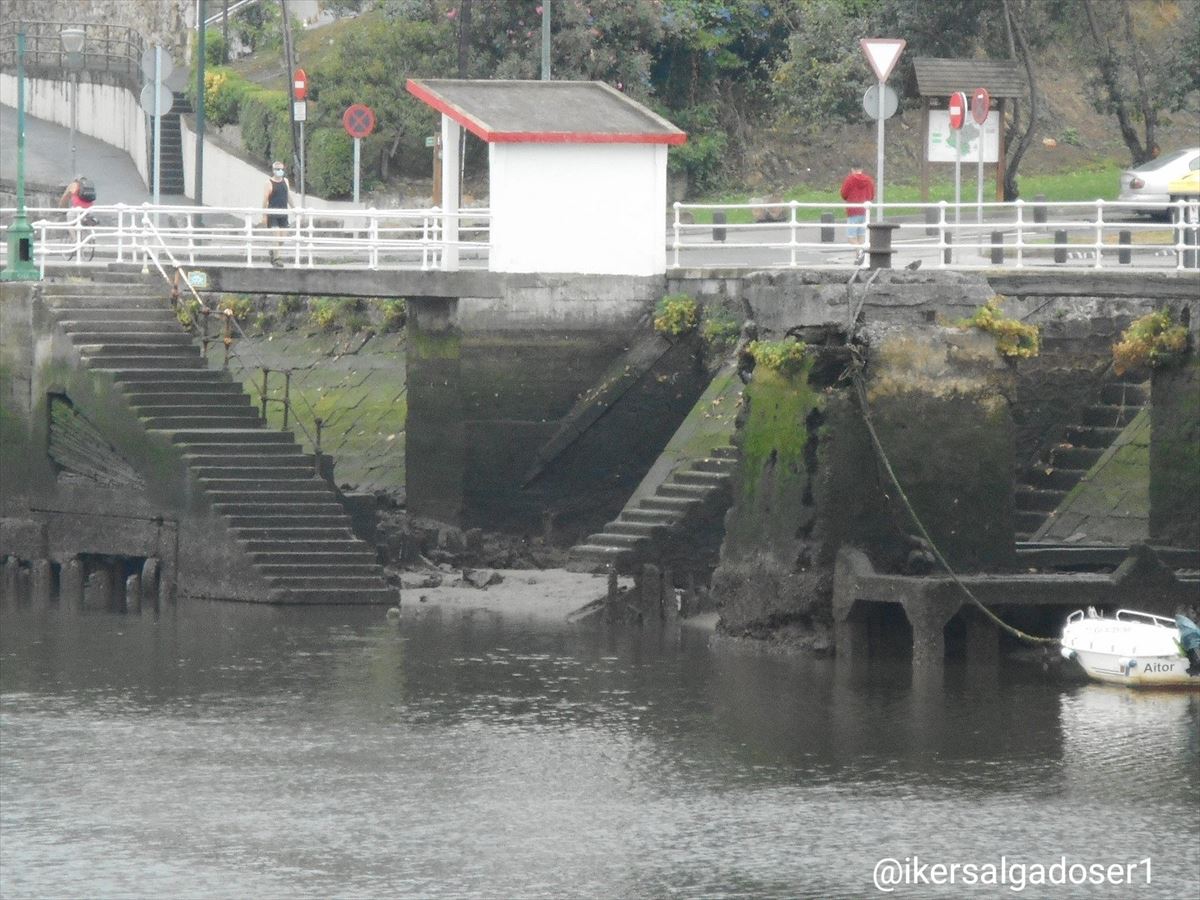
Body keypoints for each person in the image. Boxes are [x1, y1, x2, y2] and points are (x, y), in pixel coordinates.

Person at [840, 163, 875, 260]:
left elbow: (844, 194)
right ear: (861, 169)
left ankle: (860, 252)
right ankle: (859, 258)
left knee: (851, 237)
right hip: (865, 211)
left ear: (852, 169)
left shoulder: (850, 179)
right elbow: (872, 195)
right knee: (861, 236)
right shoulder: (868, 180)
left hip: (853, 210)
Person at [262, 160, 293, 266]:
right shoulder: (269, 183)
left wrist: (294, 208)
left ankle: (273, 251)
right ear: (273, 170)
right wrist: (264, 215)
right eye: (278, 169)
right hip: (272, 213)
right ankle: (277, 259)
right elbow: (265, 200)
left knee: (282, 238)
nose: (280, 171)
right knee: (276, 235)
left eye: (282, 169)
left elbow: (288, 196)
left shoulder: (286, 181)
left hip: (283, 213)